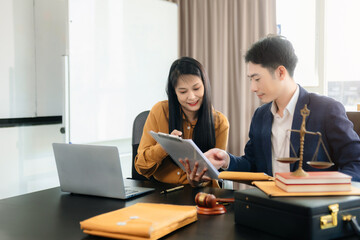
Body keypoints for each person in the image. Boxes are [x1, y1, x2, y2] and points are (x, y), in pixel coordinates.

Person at [183, 35, 360, 185]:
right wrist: (226, 160)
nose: (252, 87)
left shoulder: (326, 109)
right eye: (250, 79)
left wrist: (327, 191)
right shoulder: (261, 115)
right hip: (272, 207)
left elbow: (356, 163)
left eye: (257, 79)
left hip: (314, 210)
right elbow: (252, 164)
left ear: (281, 73)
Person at [134, 56, 229, 186]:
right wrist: (165, 146)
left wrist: (198, 180)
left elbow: (214, 170)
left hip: (200, 193)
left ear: (205, 86)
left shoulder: (220, 122)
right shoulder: (159, 111)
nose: (191, 97)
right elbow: (141, 167)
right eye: (183, 91)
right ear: (174, 93)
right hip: (161, 190)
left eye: (196, 88)